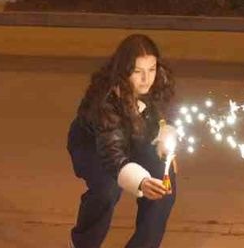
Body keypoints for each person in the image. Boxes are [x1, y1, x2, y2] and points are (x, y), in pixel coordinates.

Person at [67, 34, 178, 248]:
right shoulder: (106, 99)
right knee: (107, 189)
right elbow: (112, 154)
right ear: (125, 70)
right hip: (94, 145)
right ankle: (83, 243)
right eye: (137, 71)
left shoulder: (160, 81)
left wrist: (166, 137)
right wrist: (140, 181)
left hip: (135, 138)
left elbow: (167, 112)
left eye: (151, 69)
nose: (146, 79)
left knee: (163, 184)